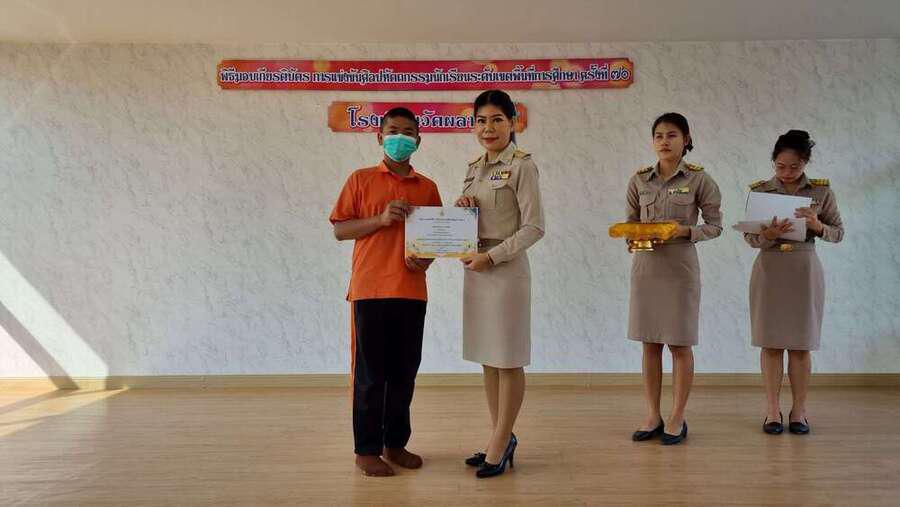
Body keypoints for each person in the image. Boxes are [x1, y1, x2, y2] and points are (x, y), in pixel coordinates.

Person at [329, 107, 442, 476]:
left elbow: (437, 239)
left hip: (411, 291)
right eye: (393, 130)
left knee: (404, 374)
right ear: (379, 137)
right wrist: (380, 219)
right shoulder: (360, 179)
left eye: (408, 132)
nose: (400, 138)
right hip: (370, 290)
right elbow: (340, 230)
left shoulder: (427, 187)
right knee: (370, 375)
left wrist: (425, 260)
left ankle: (395, 444)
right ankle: (366, 450)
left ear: (418, 141)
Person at [455, 90, 545, 478]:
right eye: (481, 121)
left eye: (496, 120)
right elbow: (476, 216)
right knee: (488, 359)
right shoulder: (475, 167)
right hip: (477, 269)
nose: (487, 128)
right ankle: (500, 436)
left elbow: (534, 227)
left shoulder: (523, 166)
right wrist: (463, 208)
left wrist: (492, 257)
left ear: (513, 123)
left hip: (504, 270)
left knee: (507, 359)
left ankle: (501, 439)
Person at [625, 112, 722, 445]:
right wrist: (631, 238)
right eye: (659, 136)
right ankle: (653, 415)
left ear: (686, 139)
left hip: (680, 269)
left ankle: (677, 417)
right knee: (650, 343)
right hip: (647, 268)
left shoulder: (699, 179)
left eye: (671, 135)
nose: (664, 141)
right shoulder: (639, 180)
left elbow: (715, 226)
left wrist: (685, 231)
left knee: (679, 344)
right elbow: (631, 223)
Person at [744, 130, 844, 435]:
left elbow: (838, 233)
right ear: (773, 162)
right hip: (770, 270)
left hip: (803, 270)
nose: (787, 173)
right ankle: (772, 410)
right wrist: (768, 234)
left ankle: (799, 411)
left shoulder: (821, 191)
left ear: (805, 163)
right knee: (771, 343)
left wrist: (817, 225)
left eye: (794, 167)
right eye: (780, 166)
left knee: (801, 345)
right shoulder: (761, 191)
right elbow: (750, 238)